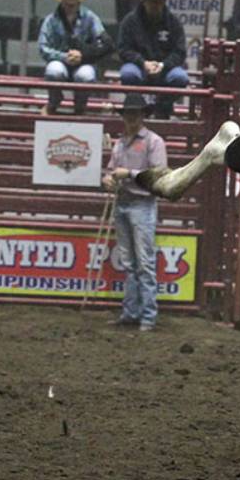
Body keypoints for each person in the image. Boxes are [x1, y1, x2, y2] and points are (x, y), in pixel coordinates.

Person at [103, 93, 168, 333]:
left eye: (135, 113)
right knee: (131, 263)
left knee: (143, 263)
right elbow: (111, 170)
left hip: (142, 204)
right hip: (124, 202)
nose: (131, 117)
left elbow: (158, 175)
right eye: (128, 113)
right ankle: (132, 312)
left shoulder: (154, 142)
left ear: (142, 115)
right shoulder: (120, 143)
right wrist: (108, 179)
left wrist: (126, 174)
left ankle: (147, 316)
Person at [39, 0, 112, 115]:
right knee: (54, 71)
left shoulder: (91, 18)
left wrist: (83, 56)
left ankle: (80, 106)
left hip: (84, 63)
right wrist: (64, 57)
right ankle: (54, 101)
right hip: (59, 62)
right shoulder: (51, 20)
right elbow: (43, 48)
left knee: (86, 76)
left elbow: (106, 44)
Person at [118, 0, 189, 119]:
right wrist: (142, 63)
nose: (155, 5)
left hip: (166, 69)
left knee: (180, 78)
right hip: (138, 67)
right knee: (128, 74)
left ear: (164, 1)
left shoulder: (174, 22)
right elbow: (123, 49)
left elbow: (180, 52)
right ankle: (138, 109)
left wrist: (163, 65)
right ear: (143, 1)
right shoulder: (130, 21)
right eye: (151, 2)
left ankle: (163, 108)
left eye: (159, 1)